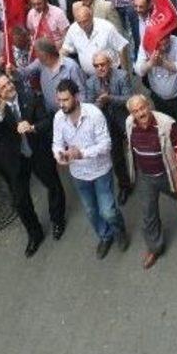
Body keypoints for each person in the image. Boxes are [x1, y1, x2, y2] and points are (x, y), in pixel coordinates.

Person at [0, 72, 66, 255]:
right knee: (20, 200)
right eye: (3, 87)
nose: (9, 87)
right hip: (16, 158)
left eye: (8, 83)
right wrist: (0, 113)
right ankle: (35, 234)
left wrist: (32, 127)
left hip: (37, 151)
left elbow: (47, 121)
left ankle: (57, 220)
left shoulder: (31, 97)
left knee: (53, 185)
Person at [52, 78, 128, 259]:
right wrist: (60, 155)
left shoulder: (94, 114)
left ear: (76, 97)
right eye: (60, 100)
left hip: (100, 170)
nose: (62, 104)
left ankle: (119, 230)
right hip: (78, 174)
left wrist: (81, 153)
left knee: (108, 211)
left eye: (66, 100)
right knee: (91, 211)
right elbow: (57, 143)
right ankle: (105, 236)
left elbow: (106, 145)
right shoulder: (58, 118)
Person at [125, 93, 177, 269]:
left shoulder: (166, 124)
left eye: (142, 108)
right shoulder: (129, 123)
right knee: (148, 214)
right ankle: (155, 248)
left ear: (148, 106)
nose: (140, 113)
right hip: (145, 176)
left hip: (166, 172)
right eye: (136, 111)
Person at [86, 50, 132, 204]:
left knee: (135, 148)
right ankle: (125, 185)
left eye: (102, 64)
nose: (100, 68)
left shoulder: (122, 75)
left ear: (110, 64)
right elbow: (89, 107)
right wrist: (100, 103)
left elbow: (129, 99)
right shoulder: (91, 82)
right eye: (96, 65)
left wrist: (109, 98)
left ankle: (142, 171)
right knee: (116, 156)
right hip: (106, 125)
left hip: (123, 119)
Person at [134, 34, 177, 136]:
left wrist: (164, 63)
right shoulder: (145, 42)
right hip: (160, 99)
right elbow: (139, 70)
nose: (164, 44)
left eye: (166, 39)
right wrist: (150, 63)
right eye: (160, 42)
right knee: (166, 129)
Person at [62, 2, 130, 76]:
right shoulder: (73, 29)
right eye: (79, 23)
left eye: (85, 21)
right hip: (90, 77)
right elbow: (65, 49)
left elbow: (122, 47)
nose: (83, 26)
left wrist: (125, 73)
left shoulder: (107, 27)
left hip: (111, 74)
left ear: (91, 17)